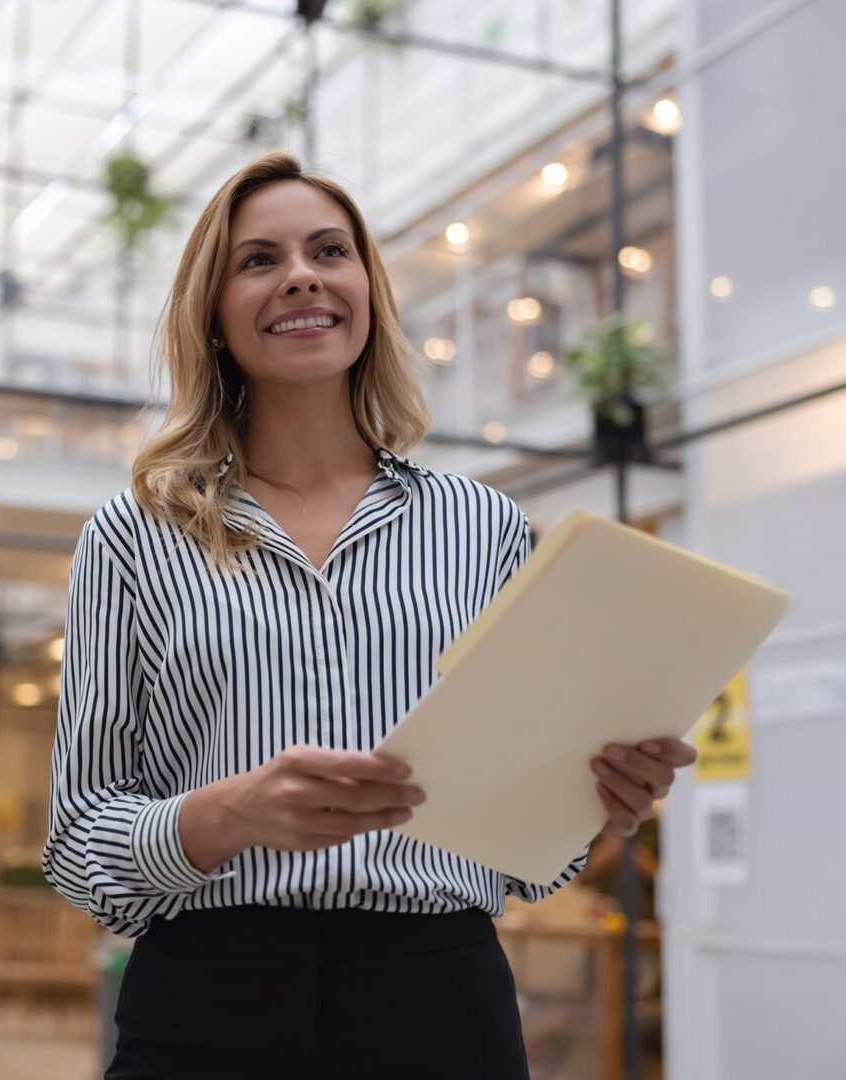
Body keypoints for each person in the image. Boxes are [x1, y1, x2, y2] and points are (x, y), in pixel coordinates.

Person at [42, 151, 696, 1079]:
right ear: (216, 316)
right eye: (258, 259)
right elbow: (79, 845)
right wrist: (228, 812)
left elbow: (528, 860)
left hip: (437, 995)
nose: (301, 273)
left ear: (366, 292)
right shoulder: (134, 535)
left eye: (328, 250)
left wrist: (597, 806)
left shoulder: (484, 528)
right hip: (207, 998)